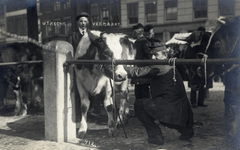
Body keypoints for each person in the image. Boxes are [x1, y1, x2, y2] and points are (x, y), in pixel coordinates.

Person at [124, 42, 194, 145]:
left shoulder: (159, 66)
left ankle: (155, 136)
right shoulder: (168, 64)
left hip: (169, 108)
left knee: (139, 105)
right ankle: (186, 131)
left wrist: (122, 67)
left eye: (156, 55)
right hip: (182, 111)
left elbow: (137, 72)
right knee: (164, 114)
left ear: (164, 55)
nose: (152, 57)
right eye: (151, 55)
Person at [67, 12, 101, 117]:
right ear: (77, 23)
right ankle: (78, 113)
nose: (83, 23)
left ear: (88, 23)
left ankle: (96, 111)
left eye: (85, 21)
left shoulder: (92, 36)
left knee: (94, 87)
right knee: (78, 89)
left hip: (90, 67)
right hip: (78, 67)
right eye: (81, 21)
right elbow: (69, 51)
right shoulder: (72, 36)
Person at [188, 26, 212, 107]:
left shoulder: (192, 39)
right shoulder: (206, 39)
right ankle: (200, 102)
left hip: (194, 64)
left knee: (194, 84)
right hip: (202, 63)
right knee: (202, 83)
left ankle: (194, 102)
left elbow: (189, 53)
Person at [131, 23, 152, 100]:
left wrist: (138, 65)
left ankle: (145, 111)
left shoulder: (144, 42)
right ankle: (140, 110)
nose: (132, 34)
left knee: (144, 93)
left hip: (143, 73)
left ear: (137, 32)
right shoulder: (137, 42)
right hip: (138, 72)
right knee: (138, 93)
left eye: (133, 32)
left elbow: (148, 57)